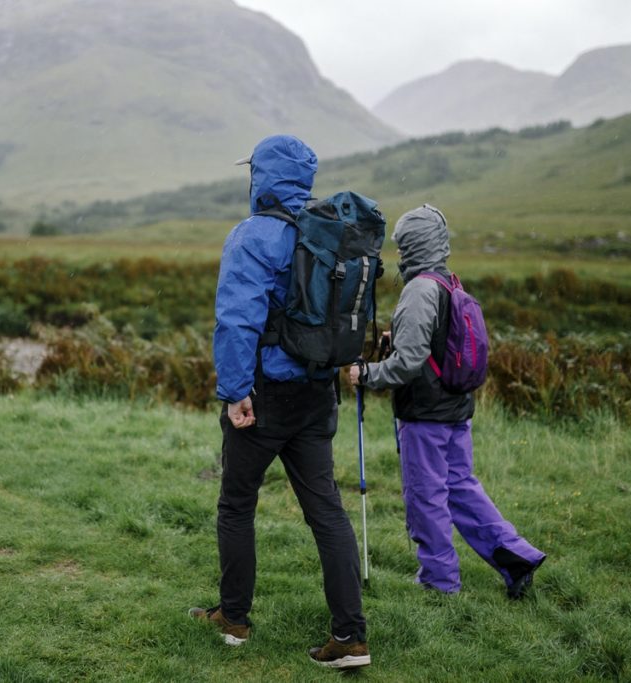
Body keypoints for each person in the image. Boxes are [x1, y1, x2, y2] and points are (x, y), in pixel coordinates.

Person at [189, 134, 370, 670]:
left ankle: (235, 620)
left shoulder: (252, 236)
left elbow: (237, 321)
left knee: (237, 504)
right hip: (318, 393)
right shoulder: (328, 237)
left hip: (265, 396)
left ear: (260, 177)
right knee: (327, 512)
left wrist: (235, 393)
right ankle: (351, 637)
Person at [350, 204, 545, 598]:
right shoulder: (448, 282)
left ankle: (439, 584)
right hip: (456, 409)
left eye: (402, 245)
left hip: (425, 416)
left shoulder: (419, 290)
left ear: (411, 245)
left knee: (427, 497)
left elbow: (408, 364)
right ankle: (516, 557)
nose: (399, 253)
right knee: (460, 488)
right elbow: (434, 347)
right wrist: (397, 341)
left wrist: (367, 374)